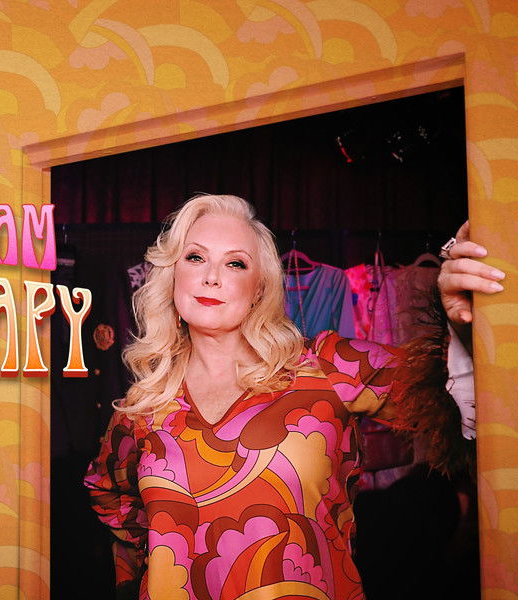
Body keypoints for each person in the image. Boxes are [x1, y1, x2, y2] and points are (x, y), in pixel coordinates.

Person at [84, 195, 503, 600]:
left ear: (259, 288)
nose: (211, 276)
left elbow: (468, 407)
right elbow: (110, 498)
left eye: (235, 263)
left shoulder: (328, 366)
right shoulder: (146, 406)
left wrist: (462, 328)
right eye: (195, 257)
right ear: (173, 275)